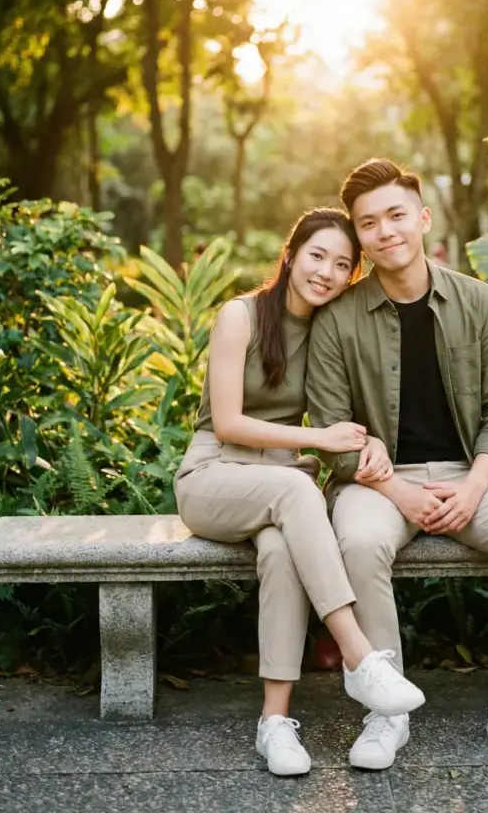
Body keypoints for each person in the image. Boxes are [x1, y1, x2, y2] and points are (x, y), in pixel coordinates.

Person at [306, 160, 488, 771]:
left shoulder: (477, 301)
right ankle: (386, 712)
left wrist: (476, 487)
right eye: (368, 223)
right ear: (360, 236)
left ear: (423, 218)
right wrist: (397, 491)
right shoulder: (337, 319)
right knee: (361, 544)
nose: (384, 231)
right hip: (377, 480)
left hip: (469, 472)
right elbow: (331, 432)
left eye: (396, 215)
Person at [174, 208, 425, 778]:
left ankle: (275, 724)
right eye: (317, 256)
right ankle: (359, 656)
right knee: (295, 488)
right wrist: (316, 438)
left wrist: (375, 445)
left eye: (342, 264)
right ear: (290, 255)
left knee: (283, 552)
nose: (327, 272)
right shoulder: (240, 316)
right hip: (213, 475)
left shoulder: (330, 329)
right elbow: (229, 421)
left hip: (279, 484)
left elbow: (349, 413)